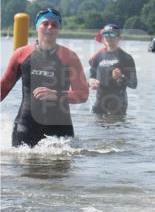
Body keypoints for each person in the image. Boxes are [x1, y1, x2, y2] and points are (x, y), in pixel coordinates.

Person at [1, 8, 89, 147]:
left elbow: (83, 95)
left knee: (60, 165)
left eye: (54, 24)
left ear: (59, 28)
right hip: (25, 127)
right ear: (37, 27)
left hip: (60, 130)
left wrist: (56, 95)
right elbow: (3, 87)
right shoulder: (21, 54)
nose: (49, 27)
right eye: (45, 23)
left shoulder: (69, 57)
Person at [89, 24, 138, 116]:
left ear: (119, 38)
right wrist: (91, 81)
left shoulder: (126, 58)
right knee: (95, 128)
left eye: (112, 35)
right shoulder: (98, 56)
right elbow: (91, 76)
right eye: (106, 35)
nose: (108, 37)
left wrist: (121, 76)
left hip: (117, 103)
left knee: (115, 129)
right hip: (99, 101)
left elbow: (134, 84)